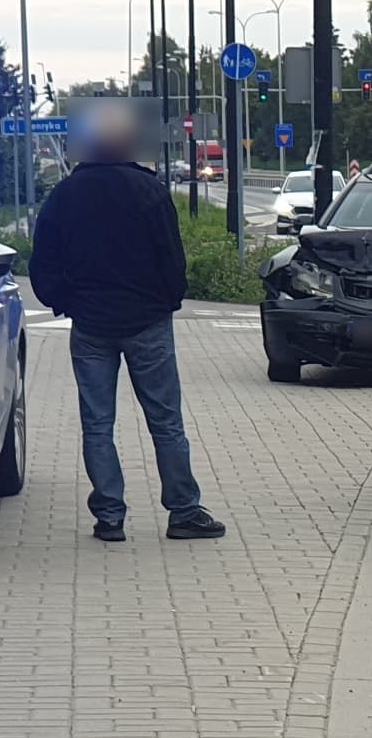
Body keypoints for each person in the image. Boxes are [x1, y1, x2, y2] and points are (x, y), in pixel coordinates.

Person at [27, 101, 227, 544]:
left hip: (91, 325)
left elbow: (43, 262)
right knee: (165, 420)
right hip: (148, 322)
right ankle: (183, 511)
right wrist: (167, 299)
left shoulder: (64, 195)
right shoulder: (150, 191)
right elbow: (172, 258)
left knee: (98, 423)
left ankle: (110, 515)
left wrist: (63, 301)